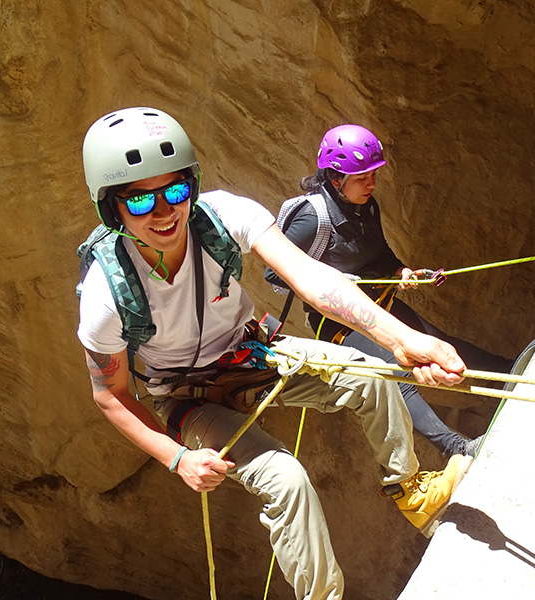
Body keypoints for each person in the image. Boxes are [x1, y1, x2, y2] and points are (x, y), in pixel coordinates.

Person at [77, 107, 473, 600]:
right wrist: (177, 458)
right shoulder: (105, 295)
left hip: (251, 352)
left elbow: (310, 277)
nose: (164, 212)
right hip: (186, 394)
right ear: (111, 207)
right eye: (140, 201)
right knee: (287, 481)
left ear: (191, 185)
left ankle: (412, 491)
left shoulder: (222, 217)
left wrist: (402, 341)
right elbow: (111, 395)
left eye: (174, 191)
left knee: (371, 373)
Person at [265, 123, 513, 458]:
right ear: (336, 178)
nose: (372, 183)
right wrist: (334, 280)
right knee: (394, 374)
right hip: (339, 322)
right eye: (363, 177)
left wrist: (403, 272)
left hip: (380, 302)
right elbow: (274, 273)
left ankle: (515, 371)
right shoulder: (312, 218)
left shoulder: (366, 206)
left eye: (373, 175)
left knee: (438, 342)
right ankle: (455, 447)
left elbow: (379, 251)